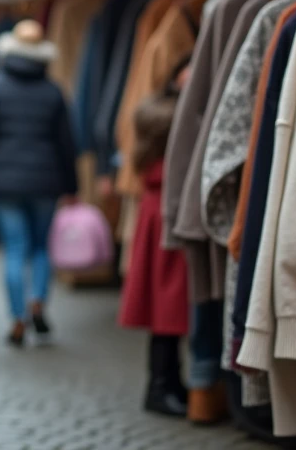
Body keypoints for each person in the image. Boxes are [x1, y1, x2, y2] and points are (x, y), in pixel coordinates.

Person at [0, 20, 78, 347]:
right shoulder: (53, 90)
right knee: (41, 247)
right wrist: (72, 186)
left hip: (4, 181)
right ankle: (38, 303)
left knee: (14, 248)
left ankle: (17, 318)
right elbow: (66, 143)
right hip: (46, 180)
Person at [118, 63, 190, 417]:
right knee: (168, 309)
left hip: (159, 214)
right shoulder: (172, 119)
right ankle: (162, 385)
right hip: (167, 217)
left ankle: (167, 382)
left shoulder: (152, 117)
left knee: (166, 310)